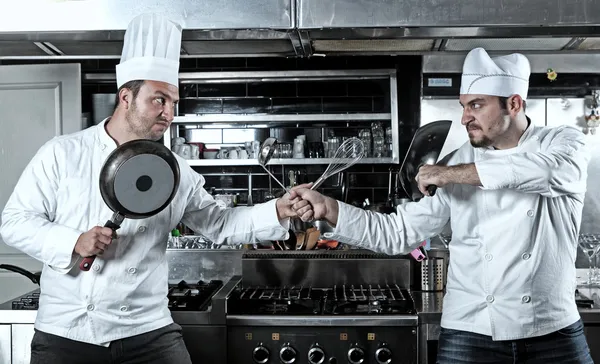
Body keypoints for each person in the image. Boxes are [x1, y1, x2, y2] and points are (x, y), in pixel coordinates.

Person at [0, 13, 301, 364]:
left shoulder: (176, 171)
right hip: (66, 334)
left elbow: (220, 224)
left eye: (173, 102)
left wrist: (280, 209)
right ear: (125, 97)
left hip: (148, 333)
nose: (169, 112)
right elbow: (15, 222)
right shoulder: (62, 153)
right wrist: (73, 242)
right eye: (159, 99)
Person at [290, 47, 594, 363]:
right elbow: (399, 232)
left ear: (514, 104)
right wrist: (329, 208)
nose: (464, 117)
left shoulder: (563, 143)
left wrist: (447, 173)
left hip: (551, 331)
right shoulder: (459, 160)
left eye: (476, 105)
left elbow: (541, 171)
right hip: (469, 331)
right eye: (463, 106)